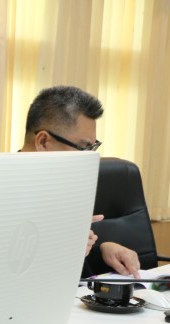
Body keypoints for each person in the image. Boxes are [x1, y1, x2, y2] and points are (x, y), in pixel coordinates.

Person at [19, 85, 140, 278]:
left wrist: (103, 250)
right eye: (83, 147)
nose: (89, 157)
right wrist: (61, 253)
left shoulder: (70, 185)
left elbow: (79, 257)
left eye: (92, 147)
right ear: (43, 142)